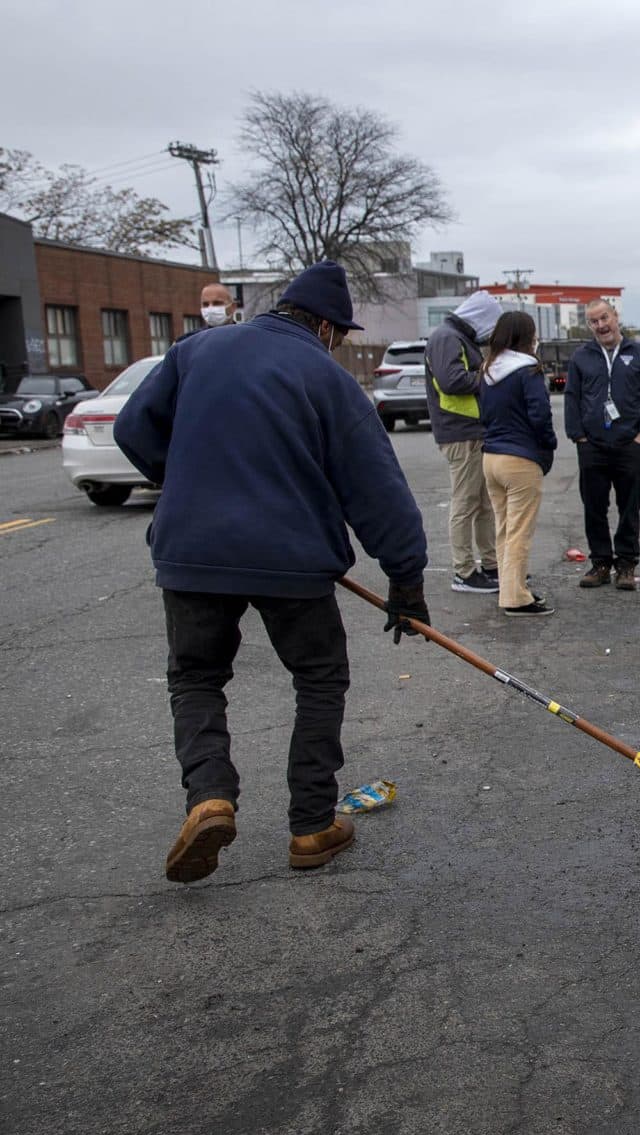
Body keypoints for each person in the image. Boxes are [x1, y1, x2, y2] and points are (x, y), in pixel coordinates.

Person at [113, 259, 431, 883]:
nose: (335, 342)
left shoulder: (194, 350)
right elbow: (376, 488)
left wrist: (182, 486)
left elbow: (133, 428)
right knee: (317, 676)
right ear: (321, 325)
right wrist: (406, 580)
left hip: (192, 551)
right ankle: (312, 825)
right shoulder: (326, 377)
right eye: (337, 333)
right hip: (291, 560)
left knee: (197, 677)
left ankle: (210, 797)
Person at [564, 298, 640, 592]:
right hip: (592, 446)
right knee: (593, 506)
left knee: (629, 506)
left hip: (629, 445)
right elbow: (571, 397)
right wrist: (578, 436)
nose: (601, 325)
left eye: (604, 318)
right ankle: (601, 563)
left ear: (616, 316)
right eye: (594, 321)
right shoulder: (582, 357)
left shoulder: (639, 354)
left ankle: (627, 564)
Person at [478, 311, 558, 617]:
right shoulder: (528, 370)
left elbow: (483, 413)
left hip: (491, 457)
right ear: (527, 337)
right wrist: (549, 443)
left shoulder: (487, 370)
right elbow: (540, 414)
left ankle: (510, 589)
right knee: (520, 531)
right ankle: (515, 597)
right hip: (520, 458)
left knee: (504, 529)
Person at [426, 291, 502, 595]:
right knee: (465, 503)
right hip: (461, 433)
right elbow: (452, 380)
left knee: (484, 504)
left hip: (473, 431)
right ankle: (464, 572)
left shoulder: (458, 337)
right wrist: (491, 376)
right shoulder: (448, 338)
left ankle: (491, 565)